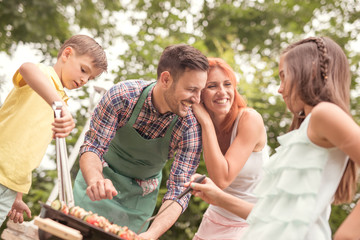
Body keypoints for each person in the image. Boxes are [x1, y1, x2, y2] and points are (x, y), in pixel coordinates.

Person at [189, 36, 360, 240]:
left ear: (309, 72)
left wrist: (348, 235)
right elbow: (273, 217)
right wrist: (218, 198)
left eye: (283, 76)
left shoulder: (324, 114)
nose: (280, 89)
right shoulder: (306, 127)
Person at [72, 43, 209, 239]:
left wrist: (151, 234)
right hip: (97, 184)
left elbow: (179, 190)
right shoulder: (122, 96)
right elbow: (93, 146)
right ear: (166, 79)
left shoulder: (190, 129)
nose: (197, 99)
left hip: (138, 202)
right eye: (191, 89)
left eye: (200, 91)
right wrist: (95, 180)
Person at [0, 34, 108, 226]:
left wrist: (17, 196)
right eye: (83, 70)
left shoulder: (59, 102)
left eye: (89, 78)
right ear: (67, 54)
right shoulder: (44, 78)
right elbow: (27, 68)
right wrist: (58, 105)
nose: (84, 79)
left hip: (8, 187)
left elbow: (28, 149)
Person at [190, 57, 268, 240]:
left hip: (251, 219)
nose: (222, 92)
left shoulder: (249, 119)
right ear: (199, 92)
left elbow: (222, 179)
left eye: (227, 84)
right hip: (217, 215)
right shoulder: (194, 123)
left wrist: (207, 123)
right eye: (212, 86)